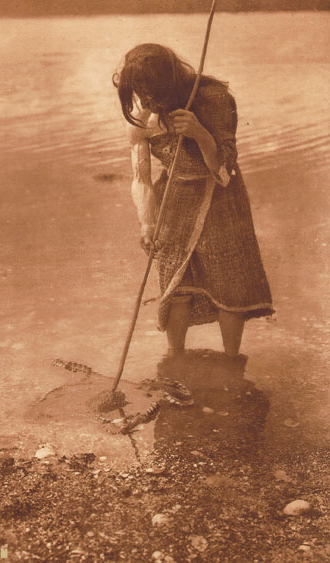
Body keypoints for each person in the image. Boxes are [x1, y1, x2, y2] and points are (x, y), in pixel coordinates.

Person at [113, 43, 274, 358]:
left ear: (170, 81)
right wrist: (147, 222)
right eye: (141, 93)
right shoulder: (141, 117)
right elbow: (141, 177)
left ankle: (231, 362)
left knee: (230, 284)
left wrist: (200, 134)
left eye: (153, 92)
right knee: (176, 285)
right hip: (175, 198)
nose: (147, 100)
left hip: (221, 198)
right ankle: (175, 356)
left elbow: (225, 169)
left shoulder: (213, 98)